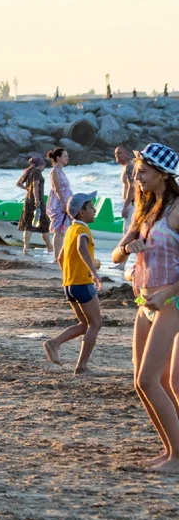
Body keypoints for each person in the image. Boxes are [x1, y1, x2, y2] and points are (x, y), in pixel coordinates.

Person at [112, 143, 179, 472]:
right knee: (147, 383)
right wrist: (128, 246)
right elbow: (115, 255)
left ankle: (176, 458)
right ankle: (170, 450)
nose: (136, 177)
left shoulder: (177, 210)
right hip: (144, 302)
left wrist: (168, 292)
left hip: (172, 302)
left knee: (152, 380)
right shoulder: (145, 209)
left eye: (143, 172)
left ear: (163, 176)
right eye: (136, 172)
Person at [44, 192, 103, 373]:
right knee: (95, 324)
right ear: (81, 212)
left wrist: (70, 274)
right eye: (91, 207)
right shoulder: (83, 229)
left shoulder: (70, 230)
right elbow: (81, 248)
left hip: (69, 285)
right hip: (82, 284)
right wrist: (94, 273)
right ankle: (82, 367)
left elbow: (61, 257)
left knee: (84, 324)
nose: (94, 210)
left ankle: (54, 343)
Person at [15, 155, 51, 254]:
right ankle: (49, 247)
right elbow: (35, 187)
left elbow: (18, 184)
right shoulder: (37, 172)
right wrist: (37, 200)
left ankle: (25, 247)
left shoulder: (29, 171)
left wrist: (27, 189)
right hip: (37, 201)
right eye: (44, 165)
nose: (44, 167)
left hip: (28, 200)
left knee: (27, 224)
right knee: (44, 224)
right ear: (41, 165)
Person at [46, 147, 72, 265]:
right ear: (58, 158)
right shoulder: (55, 171)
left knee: (62, 230)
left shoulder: (61, 171)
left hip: (65, 200)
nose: (67, 158)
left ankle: (61, 256)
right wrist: (63, 203)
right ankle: (56, 258)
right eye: (65, 156)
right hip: (59, 202)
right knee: (58, 229)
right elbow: (57, 188)